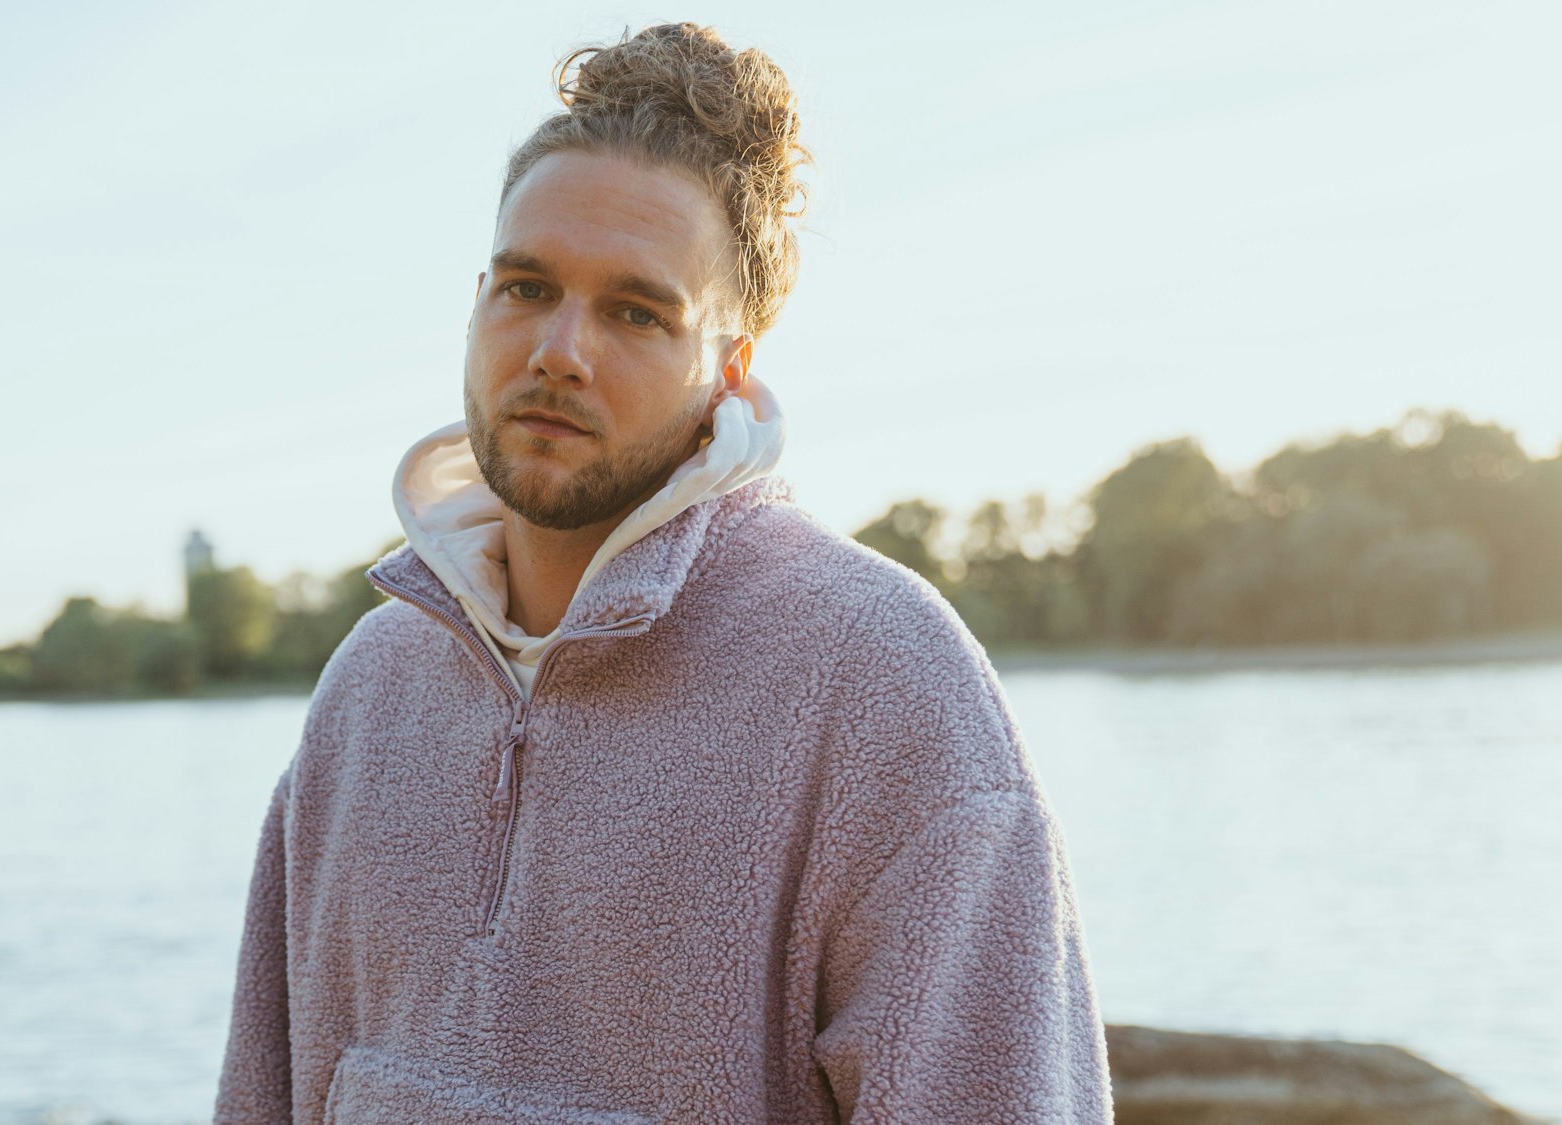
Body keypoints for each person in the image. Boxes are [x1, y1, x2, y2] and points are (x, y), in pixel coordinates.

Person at [214, 22, 1113, 1124]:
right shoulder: (368, 691)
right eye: (525, 287)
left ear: (727, 368)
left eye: (636, 312)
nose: (559, 350)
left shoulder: (881, 683)